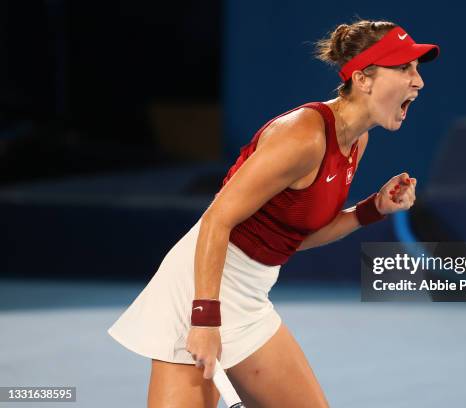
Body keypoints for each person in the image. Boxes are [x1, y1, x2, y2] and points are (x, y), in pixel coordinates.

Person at [107, 19, 439, 408]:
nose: (418, 81)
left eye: (416, 69)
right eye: (404, 68)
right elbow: (217, 220)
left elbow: (292, 239)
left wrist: (372, 210)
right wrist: (204, 318)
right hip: (200, 286)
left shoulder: (356, 141)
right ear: (364, 79)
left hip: (249, 294)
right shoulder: (302, 136)